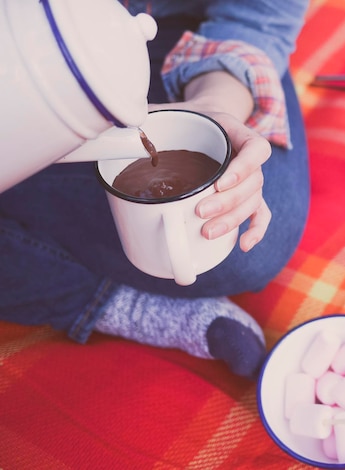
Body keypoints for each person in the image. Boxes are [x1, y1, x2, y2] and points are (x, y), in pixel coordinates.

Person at [0, 0, 311, 379]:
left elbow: (259, 17)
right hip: (26, 53)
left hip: (192, 34)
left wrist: (213, 104)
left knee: (253, 237)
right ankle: (117, 304)